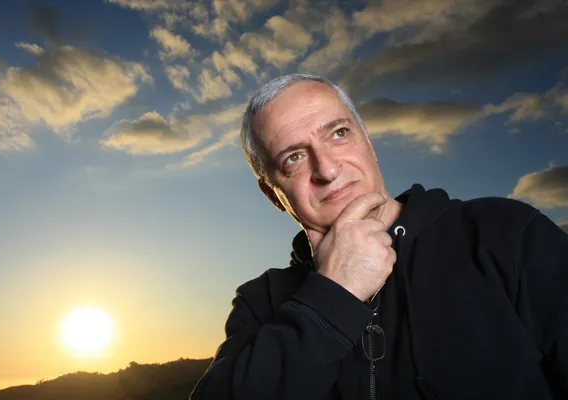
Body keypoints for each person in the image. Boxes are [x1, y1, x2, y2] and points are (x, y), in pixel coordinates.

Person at [189, 74, 568, 399]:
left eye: (338, 134)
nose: (328, 168)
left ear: (368, 144)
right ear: (273, 194)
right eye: (294, 157)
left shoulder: (504, 232)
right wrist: (333, 294)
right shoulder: (260, 301)